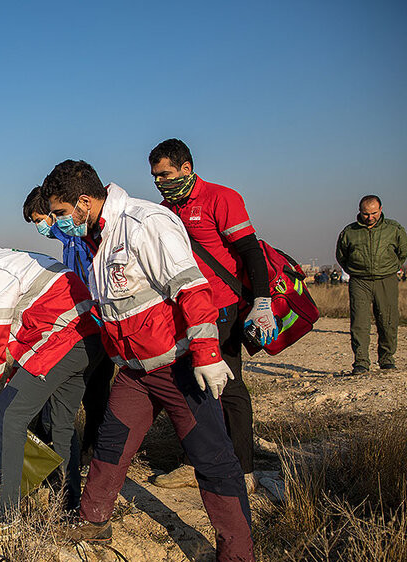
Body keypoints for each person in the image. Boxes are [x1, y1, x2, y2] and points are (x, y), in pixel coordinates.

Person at [42, 160, 253, 561]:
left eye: (60, 213)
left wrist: (207, 354)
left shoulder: (145, 223)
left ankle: (238, 551)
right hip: (134, 373)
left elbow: (192, 288)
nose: (57, 222)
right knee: (110, 446)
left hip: (177, 367)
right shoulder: (97, 237)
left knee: (213, 460)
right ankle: (93, 520)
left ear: (84, 202)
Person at [147, 139, 273, 493]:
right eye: (155, 176)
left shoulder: (221, 198)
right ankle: (196, 461)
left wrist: (261, 301)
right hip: (185, 310)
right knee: (191, 384)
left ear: (186, 168)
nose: (160, 182)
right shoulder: (164, 210)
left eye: (165, 174)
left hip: (222, 307)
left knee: (229, 385)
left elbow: (250, 250)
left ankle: (244, 469)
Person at [0, 220, 100, 519]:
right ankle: (70, 502)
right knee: (60, 423)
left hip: (62, 342)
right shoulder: (17, 258)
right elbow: (27, 326)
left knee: (6, 415)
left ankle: (5, 515)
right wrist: (11, 378)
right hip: (90, 340)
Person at [22, 185, 114, 457]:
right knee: (88, 391)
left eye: (41, 220)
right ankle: (87, 448)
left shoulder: (85, 237)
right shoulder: (69, 240)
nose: (41, 227)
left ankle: (96, 450)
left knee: (94, 392)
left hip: (97, 323)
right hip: (83, 322)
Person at [335, 195, 407, 374]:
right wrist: (356, 270)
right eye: (366, 214)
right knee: (359, 322)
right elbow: (341, 255)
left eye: (374, 213)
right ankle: (361, 362)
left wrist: (390, 268)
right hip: (360, 282)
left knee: (388, 321)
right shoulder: (349, 232)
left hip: (386, 280)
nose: (370, 217)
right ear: (359, 212)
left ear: (381, 209)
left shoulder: (394, 229)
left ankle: (387, 359)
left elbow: (402, 252)